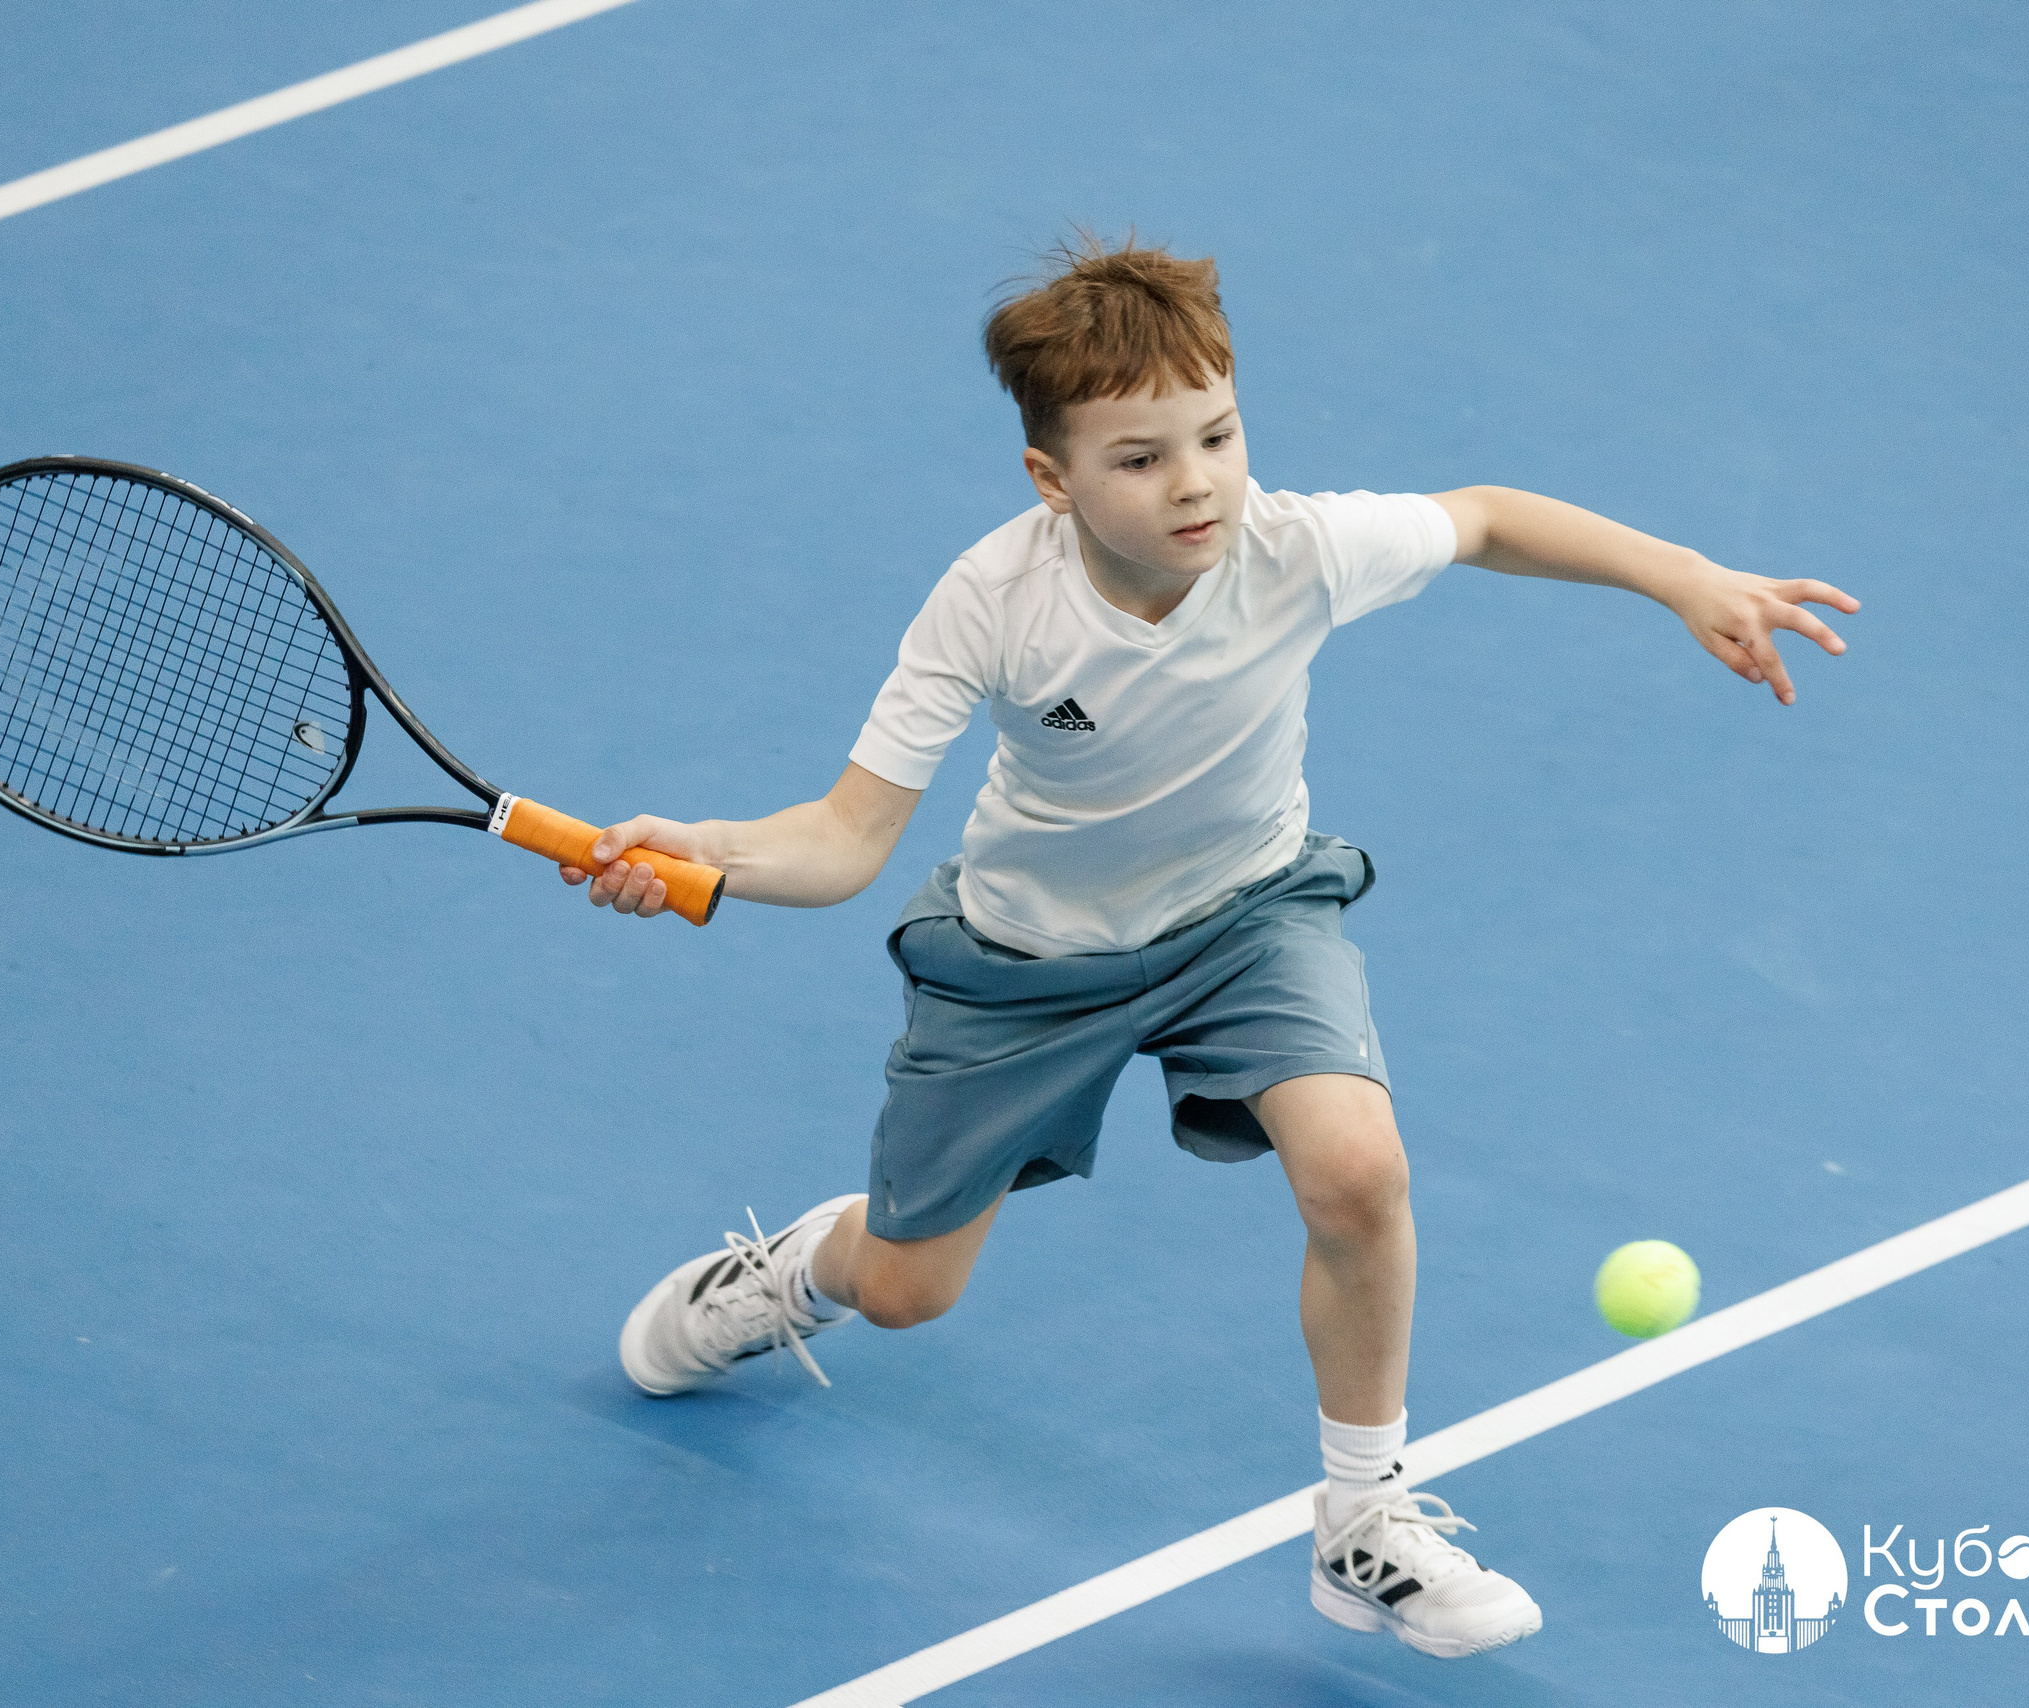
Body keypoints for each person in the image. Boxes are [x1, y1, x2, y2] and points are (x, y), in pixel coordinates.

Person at [561, 237, 1856, 1659]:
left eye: (1218, 437)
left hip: (1247, 918)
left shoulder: (1295, 550)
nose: (1195, 484)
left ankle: (1364, 1519)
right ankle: (804, 1270)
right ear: (1052, 480)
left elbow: (1485, 518)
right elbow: (846, 838)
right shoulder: (990, 602)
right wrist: (707, 855)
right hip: (1026, 966)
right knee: (908, 1293)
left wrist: (1683, 578)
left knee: (1358, 1172)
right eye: (1139, 458)